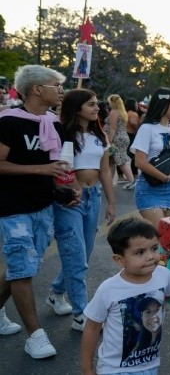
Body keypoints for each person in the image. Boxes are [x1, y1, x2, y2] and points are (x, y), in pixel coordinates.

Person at [79, 218, 170, 374]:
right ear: (120, 260)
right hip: (114, 369)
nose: (150, 256)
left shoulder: (162, 275)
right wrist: (86, 368)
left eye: (154, 248)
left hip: (150, 366)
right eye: (140, 252)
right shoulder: (109, 289)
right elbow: (92, 327)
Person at [0, 65, 68, 359]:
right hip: (13, 207)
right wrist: (42, 169)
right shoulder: (8, 121)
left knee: (23, 267)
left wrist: (70, 188)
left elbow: (59, 165)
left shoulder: (53, 122)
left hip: (43, 206)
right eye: (56, 85)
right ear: (37, 89)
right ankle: (35, 336)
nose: (61, 90)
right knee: (23, 268)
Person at [46, 89, 116, 333]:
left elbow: (105, 170)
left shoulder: (100, 135)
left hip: (93, 196)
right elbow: (61, 166)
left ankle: (56, 292)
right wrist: (73, 187)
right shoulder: (61, 133)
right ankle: (80, 314)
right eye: (91, 104)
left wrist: (111, 202)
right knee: (75, 255)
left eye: (97, 104)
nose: (97, 108)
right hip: (69, 199)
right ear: (77, 108)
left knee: (83, 254)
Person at [130, 87, 170, 227]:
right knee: (159, 233)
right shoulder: (147, 128)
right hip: (149, 188)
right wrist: (164, 177)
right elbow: (139, 162)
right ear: (163, 104)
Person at [105, 94, 136, 189]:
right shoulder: (122, 112)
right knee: (111, 160)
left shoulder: (114, 112)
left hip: (116, 139)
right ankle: (108, 182)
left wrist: (109, 141)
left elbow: (113, 128)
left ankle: (132, 181)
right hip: (123, 137)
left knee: (120, 160)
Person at [124, 98, 141, 177]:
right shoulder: (133, 114)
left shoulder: (126, 113)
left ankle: (131, 174)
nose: (137, 105)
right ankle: (135, 174)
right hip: (131, 134)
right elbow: (133, 122)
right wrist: (138, 129)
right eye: (136, 104)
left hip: (127, 133)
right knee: (133, 155)